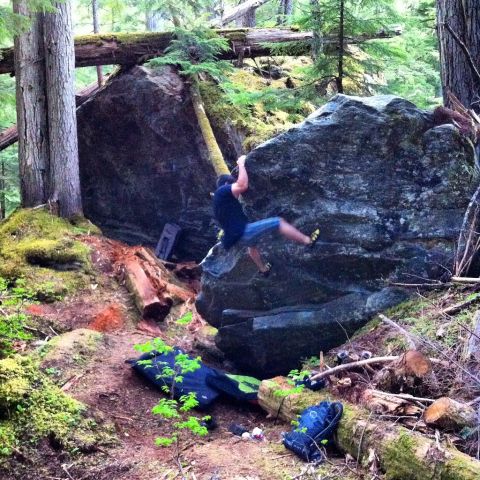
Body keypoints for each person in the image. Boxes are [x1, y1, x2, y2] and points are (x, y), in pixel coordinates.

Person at [213, 155, 320, 275]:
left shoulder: (219, 201)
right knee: (278, 222)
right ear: (226, 184)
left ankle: (263, 270)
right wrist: (241, 164)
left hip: (237, 238)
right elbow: (242, 185)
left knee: (252, 246)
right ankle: (308, 241)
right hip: (244, 232)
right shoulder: (223, 191)